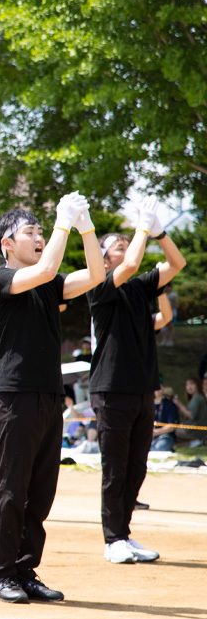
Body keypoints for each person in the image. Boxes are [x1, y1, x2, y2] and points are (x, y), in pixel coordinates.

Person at [0, 193, 105, 605]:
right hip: (13, 394)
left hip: (50, 394)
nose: (37, 237)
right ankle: (3, 575)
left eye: (39, 231)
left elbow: (97, 275)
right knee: (13, 488)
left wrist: (86, 227)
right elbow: (49, 263)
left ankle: (26, 570)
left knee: (42, 489)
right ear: (7, 245)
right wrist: (61, 223)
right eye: (29, 232)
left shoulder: (49, 283)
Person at [87, 198, 183, 564]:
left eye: (126, 241)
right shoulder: (100, 287)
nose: (124, 246)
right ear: (103, 258)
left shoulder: (141, 288)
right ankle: (113, 540)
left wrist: (158, 231)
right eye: (116, 245)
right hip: (111, 390)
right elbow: (131, 264)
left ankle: (123, 533)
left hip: (142, 389)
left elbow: (177, 263)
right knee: (115, 467)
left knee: (136, 466)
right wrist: (143, 227)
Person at [172, 377, 207, 446]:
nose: (189, 387)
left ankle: (198, 442)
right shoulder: (197, 397)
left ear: (197, 385)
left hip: (194, 430)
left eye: (192, 384)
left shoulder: (197, 398)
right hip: (197, 430)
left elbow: (191, 416)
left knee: (172, 431)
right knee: (177, 443)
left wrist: (180, 404)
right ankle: (196, 443)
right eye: (187, 385)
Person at [151, 386, 178, 451]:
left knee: (159, 448)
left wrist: (154, 432)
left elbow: (171, 427)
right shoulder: (146, 404)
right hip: (147, 437)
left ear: (163, 388)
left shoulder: (169, 404)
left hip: (165, 436)